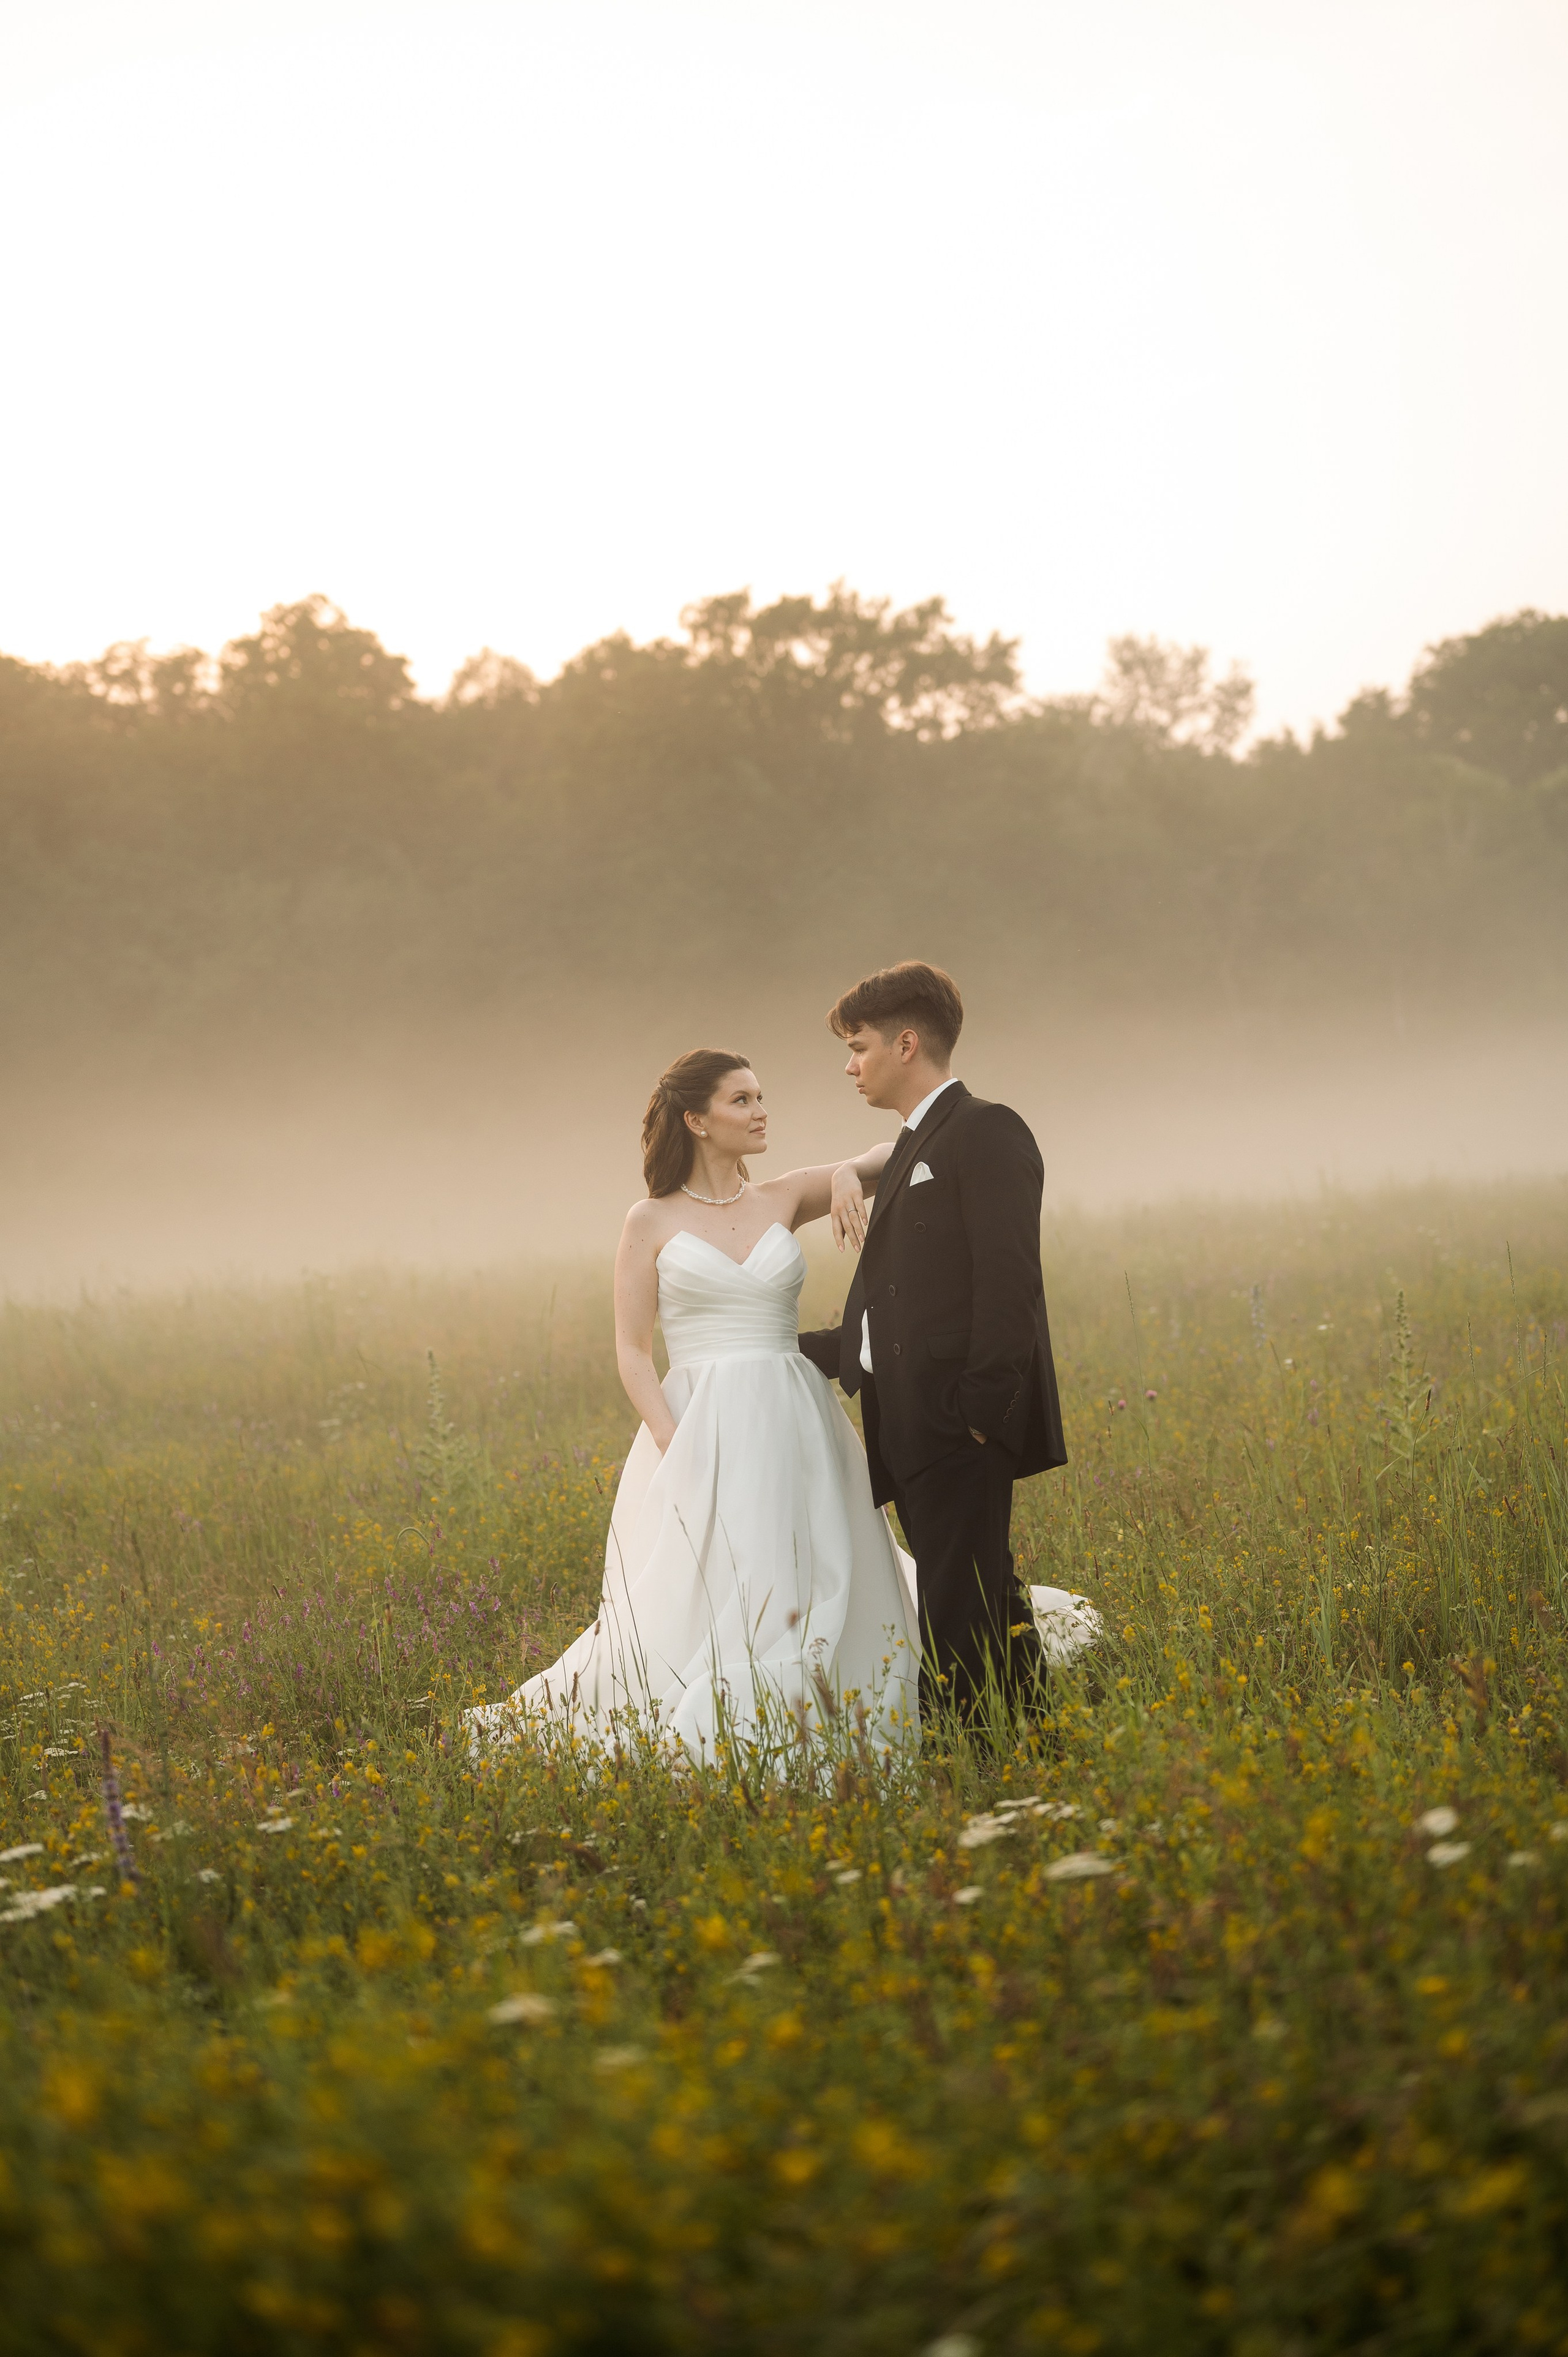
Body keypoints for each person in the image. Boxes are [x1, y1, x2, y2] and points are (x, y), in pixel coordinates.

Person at [466, 1048, 921, 1759]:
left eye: (760, 1096)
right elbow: (632, 1350)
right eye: (742, 1099)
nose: (761, 1111)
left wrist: (842, 1174)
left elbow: (901, 1150)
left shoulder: (782, 1195)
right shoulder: (649, 1219)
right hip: (697, 1420)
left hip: (794, 1412)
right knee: (709, 1580)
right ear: (696, 1120)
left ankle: (827, 1686)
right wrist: (672, 1439)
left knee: (812, 1556)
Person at [796, 962, 1071, 1722]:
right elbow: (897, 1311)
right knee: (983, 1595)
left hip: (957, 1420)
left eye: (858, 1047)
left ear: (906, 1043)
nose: (850, 1066)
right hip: (907, 1421)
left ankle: (966, 1756)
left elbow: (1009, 1280)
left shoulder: (985, 1129)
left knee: (954, 1612)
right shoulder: (913, 1144)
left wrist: (979, 1411)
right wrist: (784, 1346)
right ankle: (1036, 1743)